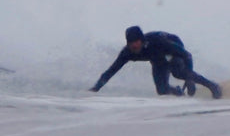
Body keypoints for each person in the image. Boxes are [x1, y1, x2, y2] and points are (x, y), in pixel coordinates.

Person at [89, 25, 222, 98]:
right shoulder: (127, 52)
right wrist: (96, 88)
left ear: (142, 40)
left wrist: (189, 79)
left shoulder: (157, 42)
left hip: (172, 47)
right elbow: (111, 71)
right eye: (130, 44)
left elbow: (187, 55)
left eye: (136, 43)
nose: (134, 47)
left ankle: (212, 86)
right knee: (162, 90)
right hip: (157, 59)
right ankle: (178, 93)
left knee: (178, 72)